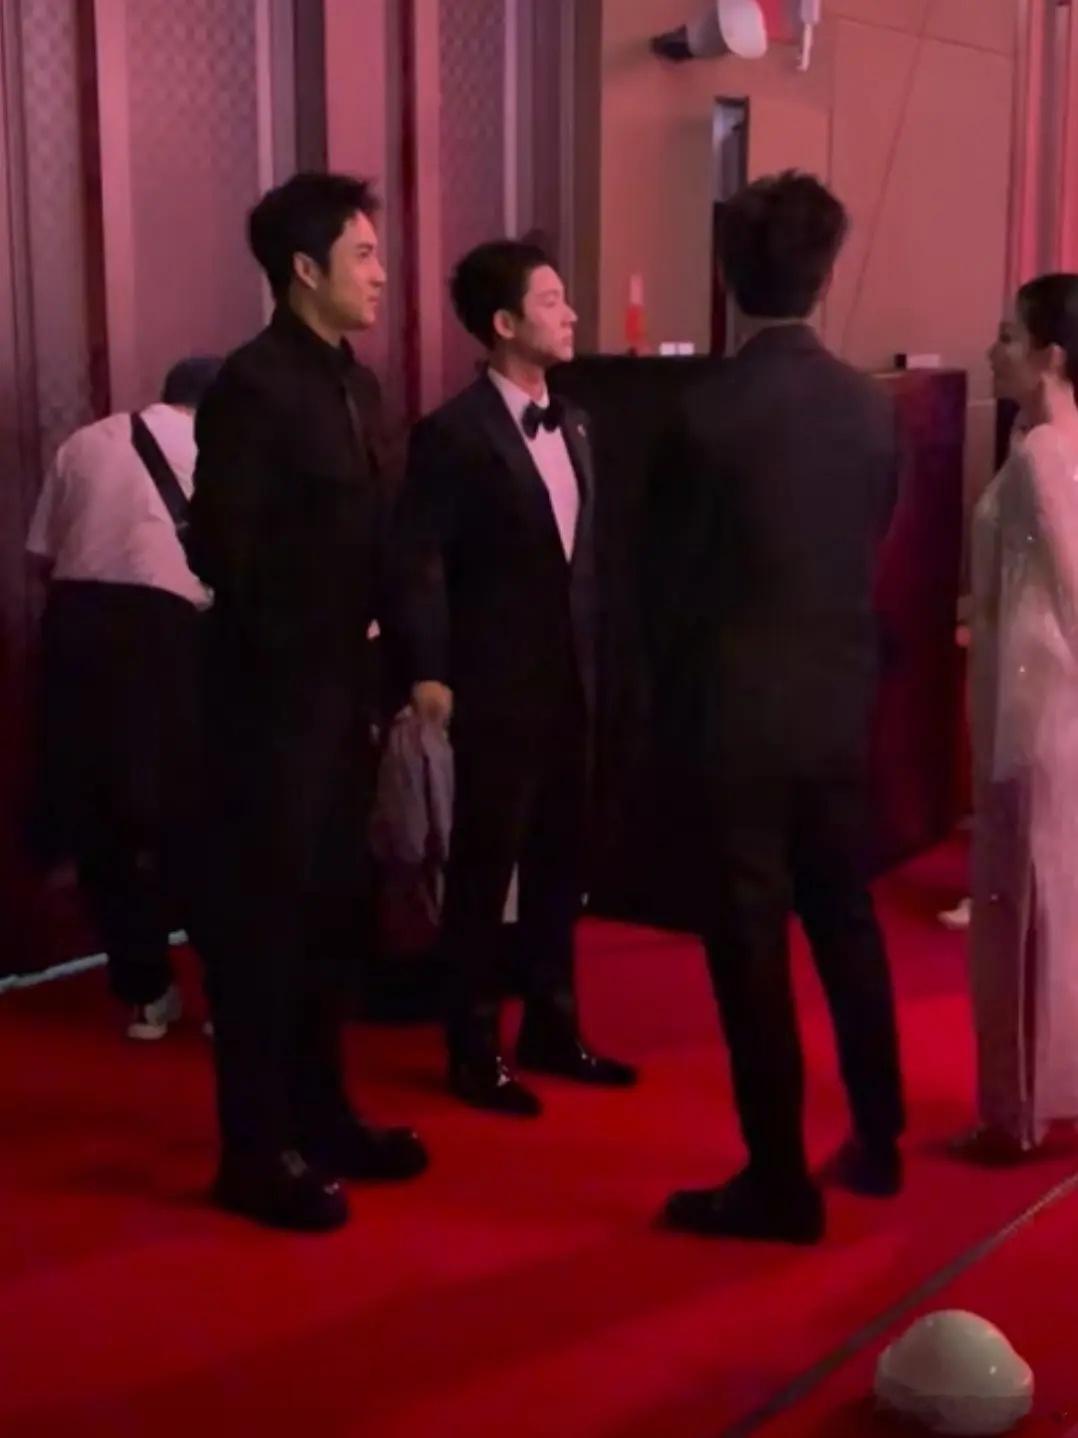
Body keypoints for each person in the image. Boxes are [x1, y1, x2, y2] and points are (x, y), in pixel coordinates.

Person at [645, 172, 904, 1243]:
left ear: (727, 275)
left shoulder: (699, 414)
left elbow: (661, 584)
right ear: (826, 274)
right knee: (846, 920)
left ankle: (777, 1178)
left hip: (732, 715)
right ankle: (879, 1137)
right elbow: (869, 539)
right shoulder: (869, 407)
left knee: (750, 947)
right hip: (838, 699)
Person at [188, 173, 426, 1232]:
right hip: (270, 706)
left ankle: (324, 1115)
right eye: (362, 254)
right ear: (303, 268)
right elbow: (223, 551)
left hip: (346, 699)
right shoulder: (253, 385)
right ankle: (253, 1151)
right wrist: (323, 631)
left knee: (335, 915)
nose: (379, 273)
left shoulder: (359, 387)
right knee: (264, 930)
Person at [390, 239, 636, 1115]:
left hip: (577, 681)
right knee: (484, 868)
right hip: (495, 683)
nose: (571, 315)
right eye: (552, 301)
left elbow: (588, 562)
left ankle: (552, 1026)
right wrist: (428, 671)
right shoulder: (452, 434)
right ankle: (471, 1046)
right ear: (502, 323)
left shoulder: (578, 423)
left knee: (562, 861)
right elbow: (419, 563)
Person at [27, 356, 221, 1039]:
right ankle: (229, 998)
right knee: (199, 819)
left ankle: (146, 994)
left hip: (73, 632)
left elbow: (41, 555)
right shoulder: (222, 449)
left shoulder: (86, 441)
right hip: (169, 638)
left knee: (100, 820)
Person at [961, 273, 1078, 1161]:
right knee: (1042, 903)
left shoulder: (1044, 453)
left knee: (1026, 906)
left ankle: (1023, 1110)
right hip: (1035, 697)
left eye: (1008, 336)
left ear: (1050, 355)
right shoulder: (1041, 442)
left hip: (1035, 708)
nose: (993, 350)